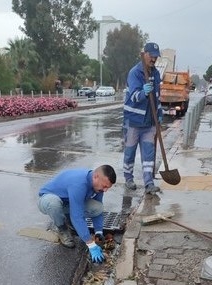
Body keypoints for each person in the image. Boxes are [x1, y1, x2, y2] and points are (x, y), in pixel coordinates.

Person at [38, 165, 116, 263]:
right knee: (54, 204)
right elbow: (77, 216)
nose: (105, 190)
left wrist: (99, 231)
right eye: (104, 186)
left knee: (97, 207)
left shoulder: (98, 186)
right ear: (96, 176)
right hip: (47, 199)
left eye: (107, 188)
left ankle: (68, 219)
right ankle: (62, 229)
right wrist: (91, 244)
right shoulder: (79, 183)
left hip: (68, 202)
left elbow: (98, 211)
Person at [122, 42, 163, 194]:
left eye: (156, 57)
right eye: (151, 55)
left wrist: (159, 113)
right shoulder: (135, 73)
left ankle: (149, 183)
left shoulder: (156, 74)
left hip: (149, 123)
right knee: (130, 152)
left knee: (148, 154)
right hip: (133, 121)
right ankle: (128, 178)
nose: (153, 59)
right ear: (144, 54)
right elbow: (133, 96)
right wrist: (143, 93)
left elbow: (157, 97)